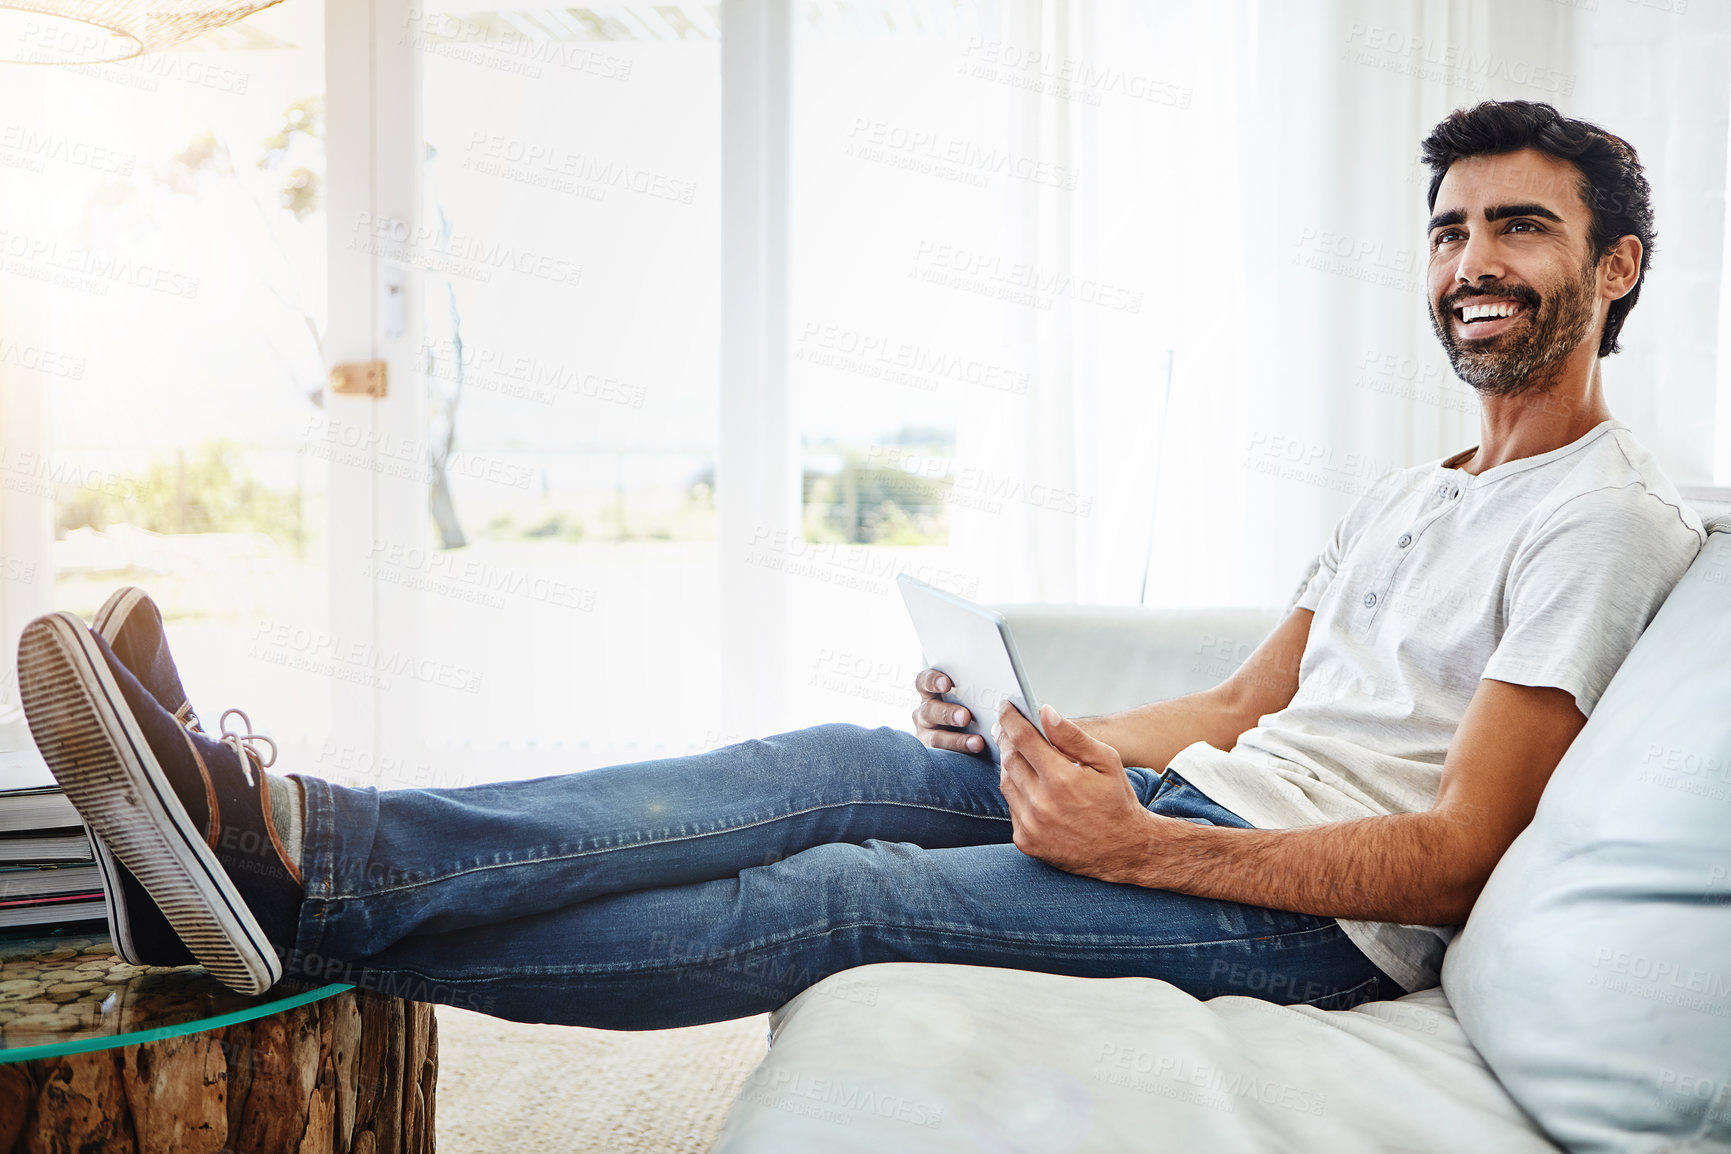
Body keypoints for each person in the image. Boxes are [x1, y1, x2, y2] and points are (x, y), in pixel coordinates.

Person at [15, 100, 1706, 1026]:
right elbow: (1254, 700)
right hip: (1198, 814)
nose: (1473, 260)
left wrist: (1143, 855)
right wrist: (1050, 738)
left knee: (832, 897)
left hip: (1303, 923)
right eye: (1450, 227)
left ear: (1614, 267)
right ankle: (306, 834)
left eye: (1520, 226)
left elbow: (1454, 855)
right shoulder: (1418, 488)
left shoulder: (1604, 515)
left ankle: (296, 923)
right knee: (819, 761)